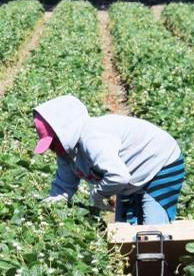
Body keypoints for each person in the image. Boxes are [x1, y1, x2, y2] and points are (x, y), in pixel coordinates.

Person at [34, 94, 185, 225]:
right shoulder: (65, 153)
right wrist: (45, 208)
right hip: (131, 176)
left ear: (65, 133)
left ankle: (161, 256)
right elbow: (63, 188)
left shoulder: (92, 138)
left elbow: (119, 177)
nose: (51, 148)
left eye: (53, 142)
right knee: (123, 230)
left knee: (153, 233)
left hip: (161, 163)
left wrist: (98, 195)